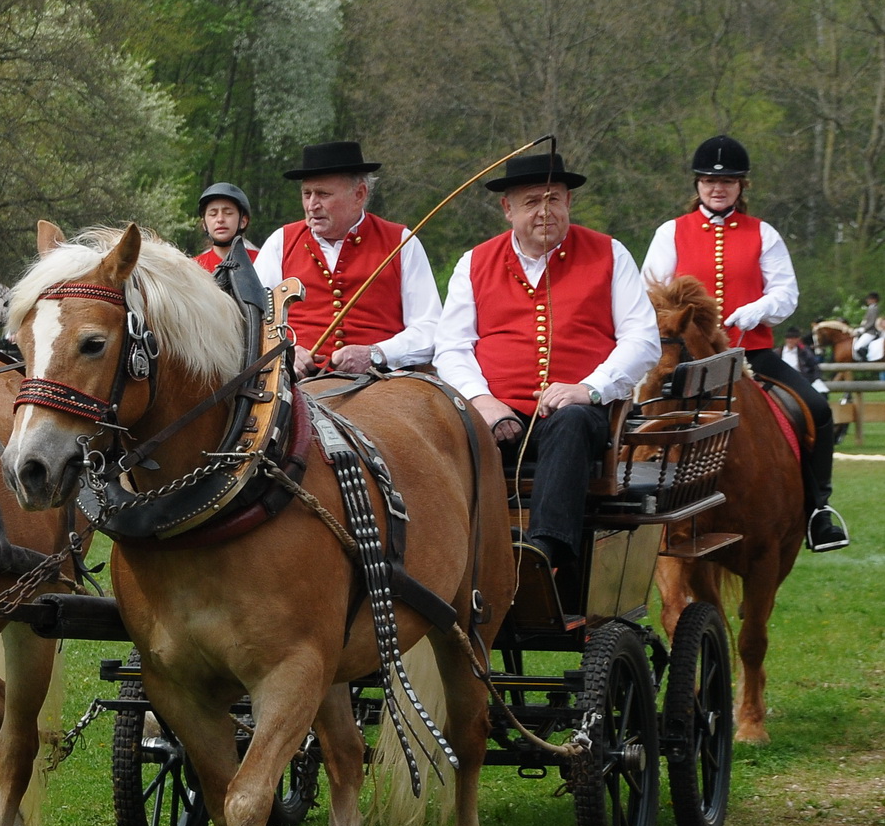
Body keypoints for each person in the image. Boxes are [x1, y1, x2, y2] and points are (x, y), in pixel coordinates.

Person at [435, 152, 661, 573]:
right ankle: (442, 558)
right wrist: (482, 400)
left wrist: (590, 388)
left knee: (570, 422)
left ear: (569, 202)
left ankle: (544, 554)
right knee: (436, 430)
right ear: (507, 209)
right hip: (495, 415)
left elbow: (642, 339)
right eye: (531, 202)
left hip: (581, 419)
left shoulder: (610, 254)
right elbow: (451, 346)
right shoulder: (474, 262)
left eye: (554, 199)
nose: (545, 212)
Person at [641, 134, 847, 551]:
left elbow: (786, 293)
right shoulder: (671, 233)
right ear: (697, 184)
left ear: (741, 186)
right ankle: (635, 498)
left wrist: (758, 310)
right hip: (684, 362)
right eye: (709, 181)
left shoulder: (763, 234)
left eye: (728, 181)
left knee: (819, 410)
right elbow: (651, 294)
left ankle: (818, 509)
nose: (718, 188)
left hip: (750, 353)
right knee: (634, 412)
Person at [254, 141, 442, 375]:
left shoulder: (402, 241)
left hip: (384, 384)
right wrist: (285, 351)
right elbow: (253, 320)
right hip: (295, 385)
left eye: (323, 194)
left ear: (359, 194)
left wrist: (376, 353)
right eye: (307, 194)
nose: (312, 205)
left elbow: (430, 327)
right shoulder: (280, 242)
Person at [193, 182, 261, 273]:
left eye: (228, 213)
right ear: (204, 224)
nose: (220, 219)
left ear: (243, 221)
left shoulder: (261, 262)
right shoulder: (194, 268)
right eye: (213, 214)